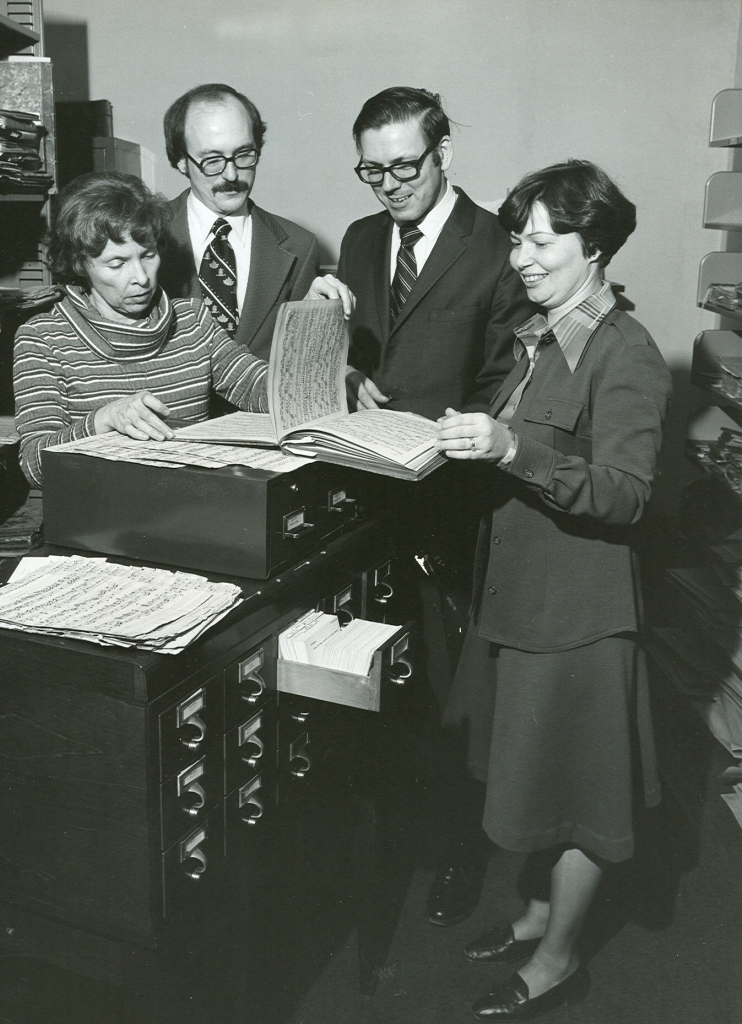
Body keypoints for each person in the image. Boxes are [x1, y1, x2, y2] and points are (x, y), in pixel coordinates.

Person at [436, 159, 672, 1020]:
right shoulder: (542, 335)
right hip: (522, 604)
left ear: (595, 246)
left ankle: (561, 959)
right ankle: (537, 915)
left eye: (541, 241)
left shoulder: (626, 353)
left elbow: (625, 491)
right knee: (534, 782)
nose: (521, 258)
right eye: (515, 239)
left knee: (576, 799)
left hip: (576, 618)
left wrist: (509, 450)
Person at [338, 86, 537, 928]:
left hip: (451, 507)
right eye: (371, 171)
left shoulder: (496, 245)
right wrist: (346, 375)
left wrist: (445, 440)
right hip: (362, 499)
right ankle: (388, 843)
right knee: (372, 684)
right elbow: (348, 352)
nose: (389, 185)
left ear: (443, 152)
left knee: (454, 694)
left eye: (405, 167)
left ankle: (458, 850)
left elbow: (505, 386)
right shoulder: (357, 240)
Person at [14, 171, 269, 488]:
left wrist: (329, 376)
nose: (142, 278)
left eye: (148, 254)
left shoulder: (192, 320)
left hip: (194, 507)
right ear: (79, 264)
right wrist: (102, 420)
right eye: (117, 263)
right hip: (100, 519)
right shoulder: (42, 339)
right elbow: (35, 465)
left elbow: (257, 384)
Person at [159, 83, 348, 366]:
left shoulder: (300, 246)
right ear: (181, 162)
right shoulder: (144, 236)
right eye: (212, 160)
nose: (232, 174)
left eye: (244, 154)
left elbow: (300, 362)